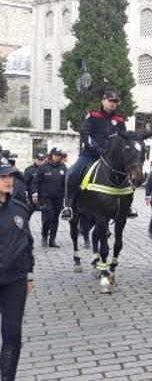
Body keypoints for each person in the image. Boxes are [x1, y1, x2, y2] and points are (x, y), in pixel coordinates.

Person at [61, 90, 128, 220]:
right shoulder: (92, 116)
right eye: (110, 100)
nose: (113, 104)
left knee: (126, 176)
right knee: (72, 174)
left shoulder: (119, 120)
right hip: (90, 155)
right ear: (103, 101)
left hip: (110, 158)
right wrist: (98, 148)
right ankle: (68, 206)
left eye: (115, 102)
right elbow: (85, 134)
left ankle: (127, 206)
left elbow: (123, 138)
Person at [0, 157, 35, 381]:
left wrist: (29, 276)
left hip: (15, 280)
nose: (8, 180)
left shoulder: (20, 209)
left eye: (10, 175)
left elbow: (27, 245)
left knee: (12, 334)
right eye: (3, 176)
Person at [31, 148, 67, 248]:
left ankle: (52, 240)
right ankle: (44, 236)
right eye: (55, 155)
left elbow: (66, 184)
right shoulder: (43, 167)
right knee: (48, 217)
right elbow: (36, 182)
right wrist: (35, 193)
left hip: (58, 197)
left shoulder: (63, 168)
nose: (57, 157)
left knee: (55, 219)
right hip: (45, 197)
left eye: (59, 155)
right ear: (51, 155)